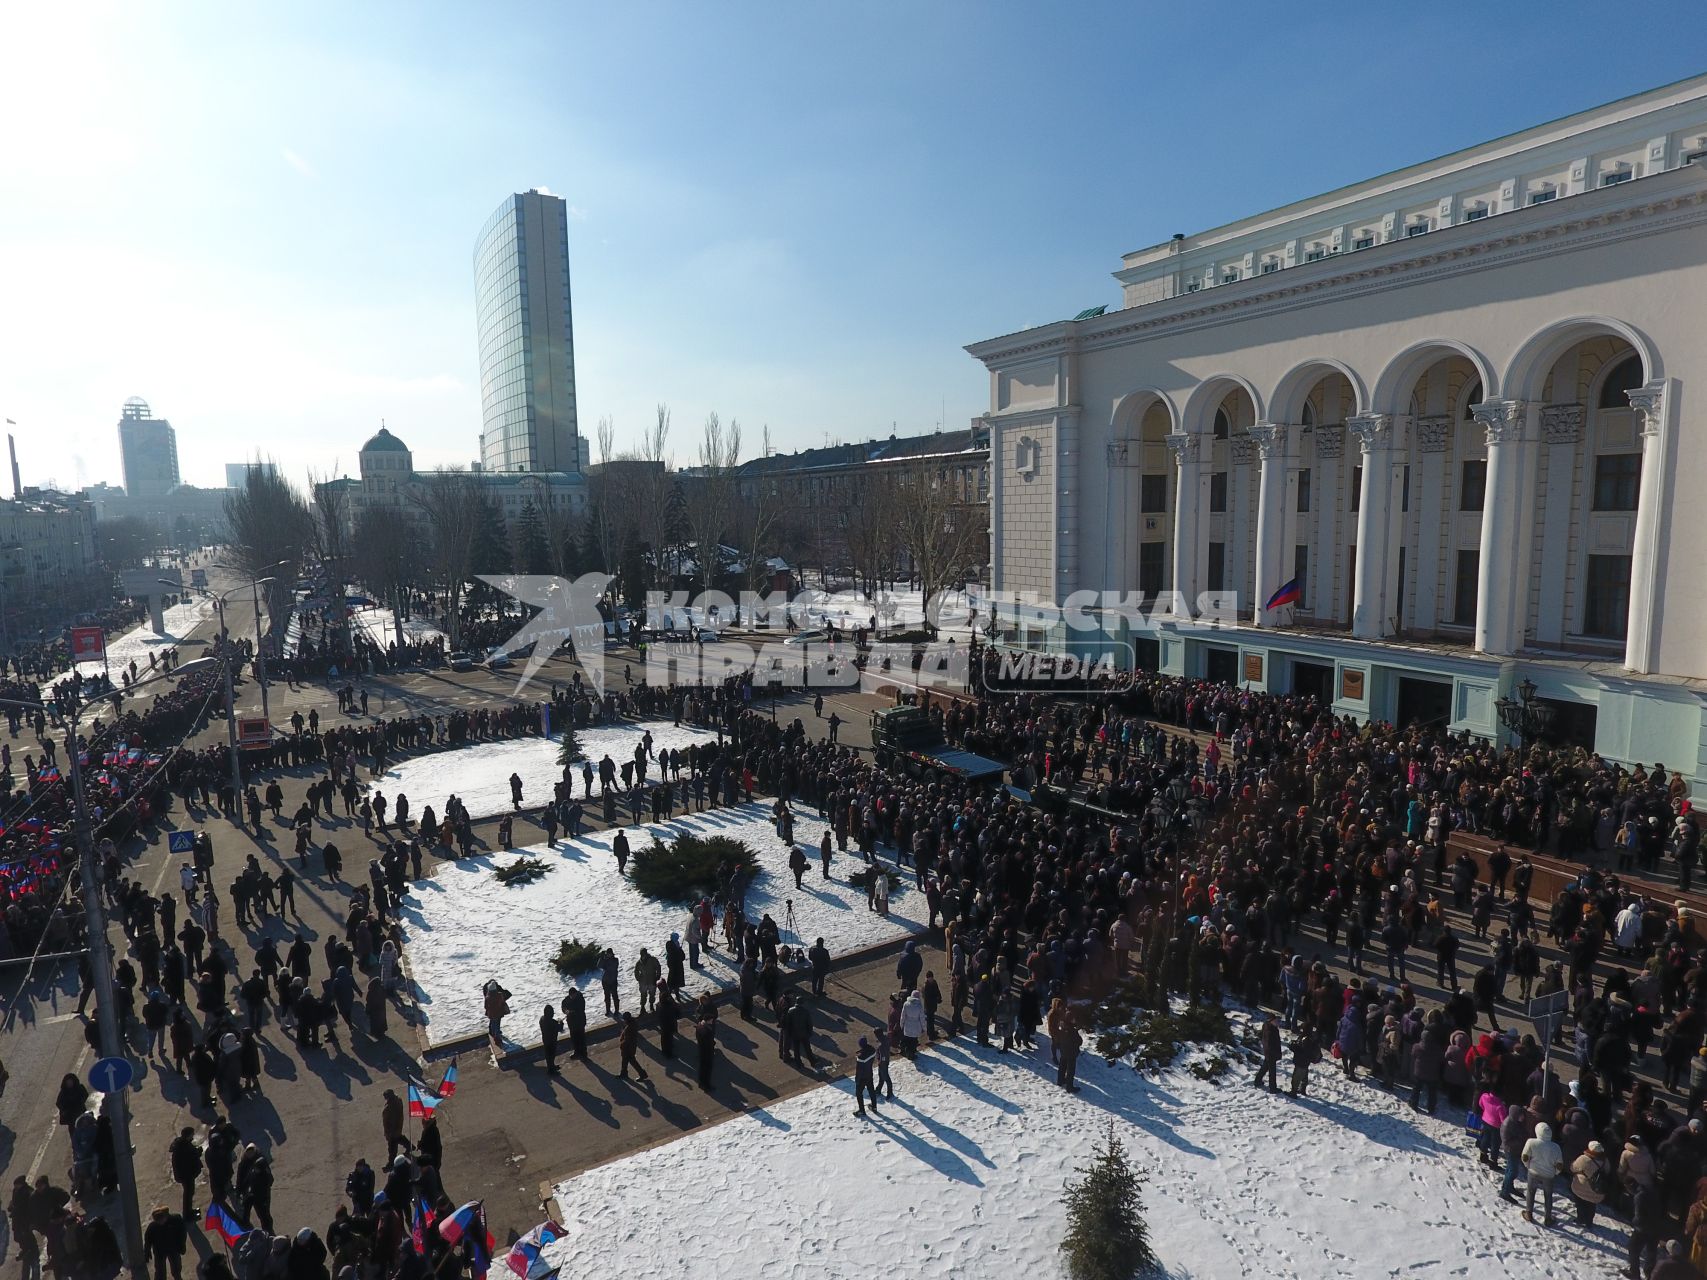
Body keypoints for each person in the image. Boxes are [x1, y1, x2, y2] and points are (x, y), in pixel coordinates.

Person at [1521, 1122, 1563, 1226]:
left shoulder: (1531, 1142)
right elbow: (1559, 1165)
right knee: (1548, 1196)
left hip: (1533, 1172)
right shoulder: (1556, 1147)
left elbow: (1525, 1157)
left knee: (1531, 1192)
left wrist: (1528, 1166)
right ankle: (1548, 1218)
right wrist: (1555, 1173)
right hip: (1548, 1176)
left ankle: (1529, 1213)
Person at [1568, 1140, 1611, 1226]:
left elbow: (1573, 1168)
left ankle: (1580, 1219)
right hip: (1596, 1189)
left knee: (1580, 1204)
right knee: (1591, 1206)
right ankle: (1589, 1221)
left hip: (1581, 1188)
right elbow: (1608, 1171)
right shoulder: (1605, 1161)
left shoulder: (1584, 1159)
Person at [143, 1205, 188, 1280]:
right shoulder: (153, 1227)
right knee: (160, 1271)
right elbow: (148, 1240)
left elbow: (182, 1232)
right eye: (157, 1221)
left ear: (165, 1216)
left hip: (173, 1248)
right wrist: (147, 1252)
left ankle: (177, 1277)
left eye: (161, 1220)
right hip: (159, 1251)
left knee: (176, 1266)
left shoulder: (175, 1220)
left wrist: (182, 1244)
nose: (160, 1223)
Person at [167, 1127, 201, 1219]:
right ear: (188, 1135)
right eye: (192, 1135)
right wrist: (197, 1153)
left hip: (185, 1174)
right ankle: (187, 1214)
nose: (193, 1136)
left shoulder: (181, 1144)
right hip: (186, 1175)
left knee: (189, 1193)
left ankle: (189, 1210)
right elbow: (188, 1160)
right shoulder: (183, 1147)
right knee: (188, 1194)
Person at [1253, 1013, 1282, 1092]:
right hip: (1271, 1053)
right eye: (1275, 1020)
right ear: (1271, 1021)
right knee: (1272, 1071)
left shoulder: (1269, 1027)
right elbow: (1269, 1043)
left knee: (1265, 1067)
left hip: (1269, 1052)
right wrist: (1273, 1052)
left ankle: (1257, 1081)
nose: (1277, 1022)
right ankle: (1273, 1088)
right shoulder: (1270, 1029)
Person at [618, 1012, 650, 1082]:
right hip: (631, 1046)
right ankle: (624, 1073)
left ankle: (642, 1074)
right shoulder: (631, 1024)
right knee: (625, 1060)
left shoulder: (629, 1028)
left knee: (632, 1060)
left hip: (628, 1047)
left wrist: (622, 1045)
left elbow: (627, 1040)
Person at [1056, 1010, 1082, 1092]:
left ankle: (1060, 1080)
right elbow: (1079, 1041)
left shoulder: (1062, 1026)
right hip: (1071, 1052)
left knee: (1062, 1066)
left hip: (1063, 1050)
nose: (1074, 1020)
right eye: (1073, 1018)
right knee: (1071, 1070)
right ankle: (1069, 1086)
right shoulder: (1072, 1030)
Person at [853, 1036, 879, 1116]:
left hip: (862, 1078)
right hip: (869, 1074)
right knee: (871, 1090)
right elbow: (867, 1050)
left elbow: (859, 1070)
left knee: (859, 1093)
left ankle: (861, 1110)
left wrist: (857, 1080)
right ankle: (874, 1106)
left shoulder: (860, 1058)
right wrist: (862, 1051)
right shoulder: (872, 1050)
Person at [539, 1005, 563, 1073]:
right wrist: (561, 1023)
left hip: (546, 1040)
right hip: (552, 1041)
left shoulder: (542, 1019)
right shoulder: (553, 1022)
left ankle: (551, 1066)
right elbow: (560, 1028)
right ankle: (551, 1070)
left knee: (548, 1055)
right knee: (551, 1055)